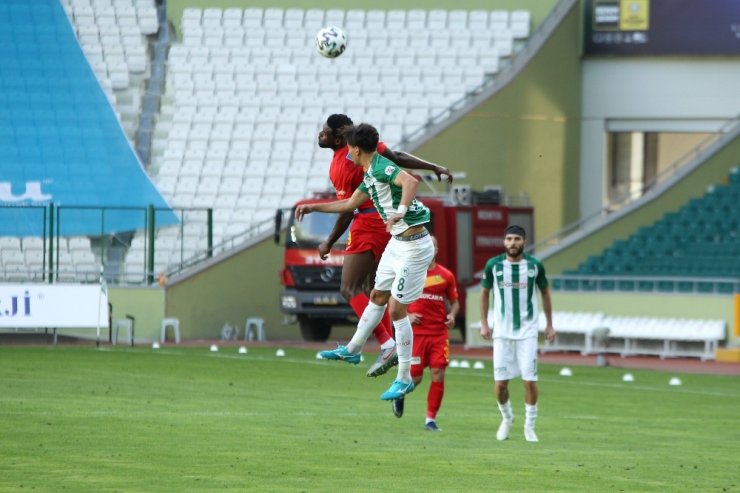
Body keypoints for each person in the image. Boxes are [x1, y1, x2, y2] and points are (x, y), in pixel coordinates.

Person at [296, 123, 435, 401]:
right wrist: (313, 207)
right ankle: (354, 348)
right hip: (397, 243)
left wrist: (400, 212)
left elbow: (411, 181)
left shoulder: (382, 167)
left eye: (349, 149)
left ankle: (404, 377)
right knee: (376, 295)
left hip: (415, 247)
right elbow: (348, 205)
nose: (347, 154)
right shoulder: (371, 172)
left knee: (396, 310)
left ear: (356, 149)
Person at [317, 114, 453, 378]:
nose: (320, 135)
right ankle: (389, 352)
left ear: (338, 137)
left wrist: (329, 241)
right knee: (374, 292)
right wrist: (432, 166)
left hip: (370, 223)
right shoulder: (366, 151)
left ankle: (387, 346)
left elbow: (348, 208)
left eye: (324, 131)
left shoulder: (343, 165)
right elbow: (397, 156)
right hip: (385, 225)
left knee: (350, 287)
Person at [479, 225, 556, 443]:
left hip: (527, 332)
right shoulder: (494, 265)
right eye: (509, 239)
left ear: (524, 241)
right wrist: (485, 323)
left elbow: (545, 293)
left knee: (529, 380)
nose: (513, 243)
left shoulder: (534, 265)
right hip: (502, 333)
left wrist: (550, 325)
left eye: (517, 239)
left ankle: (529, 427)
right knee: (501, 383)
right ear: (504, 242)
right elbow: (484, 293)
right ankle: (507, 418)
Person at [391, 236, 459, 432]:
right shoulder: (408, 273)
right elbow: (393, 300)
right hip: (417, 334)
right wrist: (408, 314)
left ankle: (430, 419)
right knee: (416, 377)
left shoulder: (446, 275)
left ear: (436, 250)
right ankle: (400, 393)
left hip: (439, 333)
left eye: (432, 246)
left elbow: (454, 301)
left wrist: (453, 315)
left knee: (438, 373)